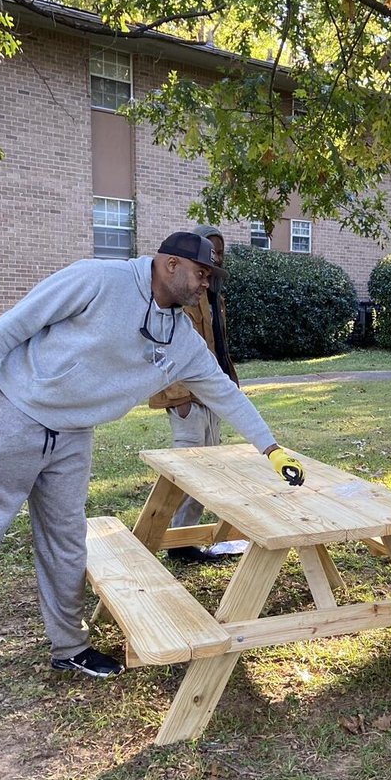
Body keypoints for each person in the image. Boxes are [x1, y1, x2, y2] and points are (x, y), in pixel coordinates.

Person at [0, 231, 305, 714]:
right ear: (169, 265)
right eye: (201, 274)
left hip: (74, 432)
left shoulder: (180, 337)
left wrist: (270, 448)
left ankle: (69, 646)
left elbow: (225, 392)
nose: (205, 285)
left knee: (66, 541)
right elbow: (20, 321)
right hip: (16, 410)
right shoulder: (97, 280)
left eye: (210, 278)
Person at [148, 225, 241, 564]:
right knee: (187, 475)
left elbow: (218, 348)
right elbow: (165, 349)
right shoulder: (182, 295)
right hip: (186, 398)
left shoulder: (214, 297)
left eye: (219, 251)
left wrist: (229, 382)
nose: (215, 257)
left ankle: (184, 538)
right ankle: (176, 541)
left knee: (211, 471)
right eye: (209, 250)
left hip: (213, 394)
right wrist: (180, 398)